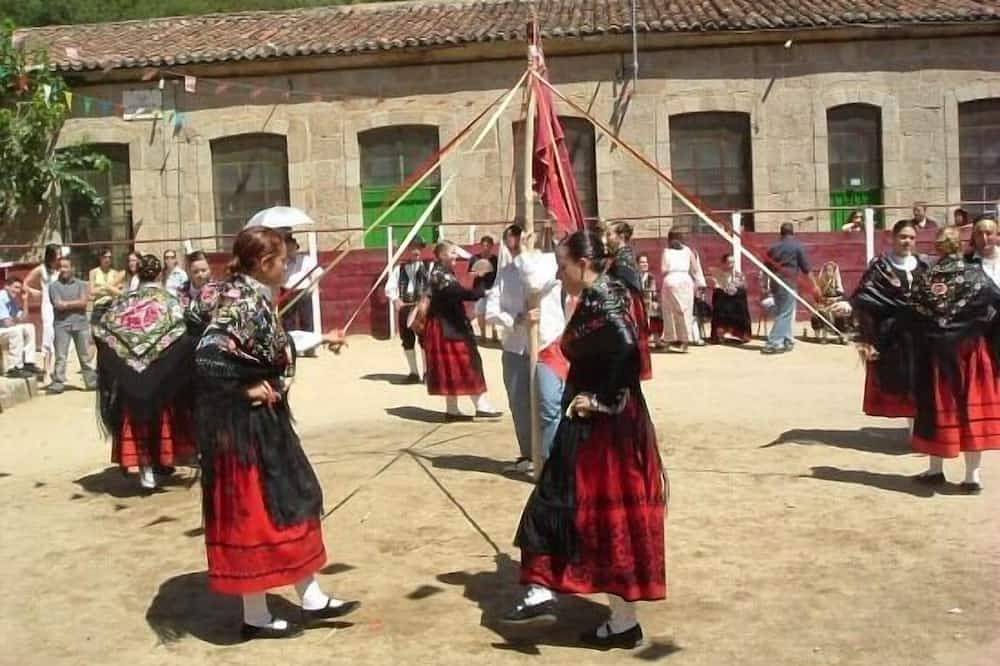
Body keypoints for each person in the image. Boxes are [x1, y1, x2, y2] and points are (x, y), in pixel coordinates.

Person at [191, 226, 358, 640]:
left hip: (257, 424)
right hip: (245, 430)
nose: (288, 265)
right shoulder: (243, 302)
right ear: (265, 264)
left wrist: (321, 336)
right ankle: (256, 616)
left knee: (288, 501)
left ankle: (312, 597)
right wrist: (244, 386)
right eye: (283, 259)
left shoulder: (239, 294)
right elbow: (208, 356)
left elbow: (268, 344)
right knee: (261, 513)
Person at [505, 230, 666, 649]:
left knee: (596, 513)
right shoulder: (599, 294)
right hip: (595, 423)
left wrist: (602, 399)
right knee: (574, 506)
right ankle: (561, 595)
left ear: (583, 263)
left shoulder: (606, 298)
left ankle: (609, 615)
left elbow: (628, 348)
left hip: (605, 427)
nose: (559, 272)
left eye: (562, 264)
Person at [907, 226, 1000, 494]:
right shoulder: (976, 275)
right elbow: (997, 303)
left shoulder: (926, 279)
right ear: (959, 245)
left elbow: (913, 315)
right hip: (971, 352)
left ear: (938, 248)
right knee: (970, 408)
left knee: (937, 406)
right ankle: (972, 477)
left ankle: (936, 471)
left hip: (937, 355)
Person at [92, 255, 197, 490]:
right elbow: (182, 333)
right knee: (162, 417)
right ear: (160, 274)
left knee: (136, 419)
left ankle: (146, 467)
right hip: (160, 372)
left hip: (130, 372)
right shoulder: (171, 301)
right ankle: (160, 461)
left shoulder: (123, 302)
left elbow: (104, 330)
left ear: (137, 273)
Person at [485, 224, 567, 475]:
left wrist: (524, 254)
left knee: (549, 403)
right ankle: (529, 455)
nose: (515, 238)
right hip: (515, 347)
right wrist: (516, 319)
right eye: (512, 234)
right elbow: (489, 311)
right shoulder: (505, 273)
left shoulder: (549, 263)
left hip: (546, 344)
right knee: (520, 406)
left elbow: (533, 283)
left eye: (520, 234)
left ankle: (550, 459)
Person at [851, 219, 928, 419]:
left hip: (921, 336)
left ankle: (916, 430)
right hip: (891, 336)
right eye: (903, 237)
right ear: (892, 238)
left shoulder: (924, 266)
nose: (907, 241)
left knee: (921, 382)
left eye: (911, 237)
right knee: (899, 381)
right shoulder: (880, 268)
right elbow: (865, 297)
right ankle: (910, 428)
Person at [423, 241, 501, 420]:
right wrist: (481, 278)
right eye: (452, 253)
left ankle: (452, 410)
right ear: (442, 255)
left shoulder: (441, 272)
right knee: (467, 364)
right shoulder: (440, 275)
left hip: (446, 325)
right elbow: (466, 294)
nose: (455, 256)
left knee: (453, 367)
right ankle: (481, 406)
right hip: (448, 327)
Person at [606, 222, 652, 378]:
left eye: (610, 234)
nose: (607, 238)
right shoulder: (619, 255)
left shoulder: (623, 257)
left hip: (627, 300)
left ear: (621, 236)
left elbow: (623, 282)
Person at [48, 256, 96, 394]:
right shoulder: (53, 286)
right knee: (61, 356)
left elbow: (83, 303)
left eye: (66, 267)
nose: (63, 270)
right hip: (61, 325)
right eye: (60, 267)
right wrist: (75, 303)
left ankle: (91, 381)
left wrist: (67, 304)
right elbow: (58, 305)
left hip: (80, 324)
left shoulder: (82, 284)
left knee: (85, 355)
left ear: (72, 268)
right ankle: (58, 382)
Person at [762, 223, 812, 355]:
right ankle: (773, 343)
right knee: (785, 313)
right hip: (788, 282)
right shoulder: (797, 246)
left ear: (781, 233)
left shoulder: (773, 247)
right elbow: (806, 268)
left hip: (775, 282)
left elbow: (765, 267)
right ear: (792, 232)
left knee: (783, 311)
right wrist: (815, 285)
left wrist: (764, 284)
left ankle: (787, 339)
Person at [384, 242, 431, 383]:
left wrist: (426, 301)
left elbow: (432, 287)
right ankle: (413, 372)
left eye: (418, 248)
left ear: (422, 249)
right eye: (412, 248)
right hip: (405, 307)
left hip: (422, 308)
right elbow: (390, 287)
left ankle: (427, 373)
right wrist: (395, 299)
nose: (415, 251)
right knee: (407, 339)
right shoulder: (399, 269)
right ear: (407, 250)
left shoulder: (428, 267)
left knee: (425, 340)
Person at [660, 229, 707, 353]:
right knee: (685, 311)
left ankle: (670, 340)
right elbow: (695, 269)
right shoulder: (688, 251)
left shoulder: (666, 251)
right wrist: (699, 283)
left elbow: (663, 269)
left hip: (670, 280)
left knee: (669, 312)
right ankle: (684, 342)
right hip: (685, 281)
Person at [23, 243, 61, 381]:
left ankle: (57, 371)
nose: (59, 255)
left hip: (59, 306)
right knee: (48, 336)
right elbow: (25, 284)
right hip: (47, 306)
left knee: (59, 337)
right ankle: (46, 370)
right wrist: (36, 292)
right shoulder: (41, 269)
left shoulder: (60, 269)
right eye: (57, 253)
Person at [0, 278, 40, 378]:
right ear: (6, 286)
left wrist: (25, 301)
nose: (17, 291)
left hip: (4, 330)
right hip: (3, 330)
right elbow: (7, 322)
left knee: (29, 327)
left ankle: (28, 362)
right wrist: (16, 322)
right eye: (15, 287)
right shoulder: (1, 297)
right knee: (17, 330)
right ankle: (13, 368)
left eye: (19, 288)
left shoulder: (12, 299)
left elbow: (23, 318)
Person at [709, 253, 752, 344]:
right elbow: (716, 285)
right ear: (724, 263)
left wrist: (738, 285)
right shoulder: (717, 273)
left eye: (733, 263)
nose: (731, 265)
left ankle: (740, 334)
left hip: (734, 300)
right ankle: (720, 334)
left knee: (741, 302)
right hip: (723, 299)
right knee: (720, 303)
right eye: (729, 263)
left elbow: (744, 285)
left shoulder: (737, 274)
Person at [281, 235, 317, 334]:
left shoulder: (306, 260)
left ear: (296, 248)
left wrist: (312, 288)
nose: (290, 250)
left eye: (292, 247)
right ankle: (291, 345)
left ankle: (309, 346)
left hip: (303, 292)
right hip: (286, 292)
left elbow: (318, 272)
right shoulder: (281, 262)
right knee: (288, 322)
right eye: (287, 248)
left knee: (307, 320)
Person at [809, 261, 852, 344]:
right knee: (819, 313)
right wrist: (823, 301)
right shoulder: (821, 282)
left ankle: (842, 336)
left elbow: (842, 297)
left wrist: (835, 300)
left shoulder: (837, 282)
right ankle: (823, 337)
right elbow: (817, 297)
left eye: (830, 270)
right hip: (824, 305)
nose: (828, 273)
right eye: (827, 270)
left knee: (842, 312)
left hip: (835, 304)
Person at [470, 236, 499, 342]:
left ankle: (494, 333)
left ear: (491, 246)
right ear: (480, 246)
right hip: (479, 289)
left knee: (494, 312)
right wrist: (478, 273)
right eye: (484, 245)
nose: (486, 247)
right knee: (480, 313)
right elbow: (470, 273)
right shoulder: (475, 258)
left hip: (492, 288)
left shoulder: (495, 259)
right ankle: (482, 334)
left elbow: (499, 274)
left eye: (488, 245)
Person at [88, 247, 124, 323]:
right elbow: (92, 291)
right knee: (96, 329)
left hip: (112, 305)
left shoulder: (115, 273)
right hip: (99, 305)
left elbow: (119, 292)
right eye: (105, 257)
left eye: (109, 257)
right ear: (100, 258)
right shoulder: (93, 272)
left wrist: (100, 289)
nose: (107, 260)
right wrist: (110, 288)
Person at [637, 254, 664, 348]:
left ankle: (656, 338)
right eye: (642, 262)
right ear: (637, 264)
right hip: (638, 302)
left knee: (655, 308)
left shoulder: (651, 277)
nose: (645, 264)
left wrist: (654, 301)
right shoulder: (636, 276)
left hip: (649, 301)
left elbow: (653, 291)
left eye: (646, 262)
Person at [966, 216, 1000, 286]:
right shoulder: (966, 262)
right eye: (979, 234)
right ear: (974, 237)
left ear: (996, 235)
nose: (984, 238)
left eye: (989, 233)